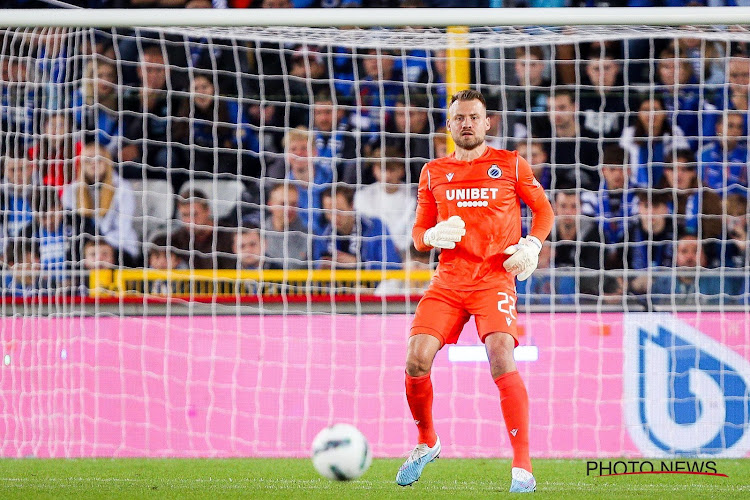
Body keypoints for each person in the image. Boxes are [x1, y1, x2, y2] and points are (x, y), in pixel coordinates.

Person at [397, 90, 554, 492]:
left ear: (488, 123)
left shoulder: (510, 164)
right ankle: (426, 441)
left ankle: (523, 466)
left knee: (501, 352)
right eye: (458, 118)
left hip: (494, 278)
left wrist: (533, 244)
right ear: (448, 126)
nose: (466, 124)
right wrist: (430, 234)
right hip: (448, 280)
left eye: (473, 117)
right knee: (416, 360)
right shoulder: (433, 171)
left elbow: (544, 211)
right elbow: (418, 235)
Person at [61, 143, 140, 260]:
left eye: (98, 160)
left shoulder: (123, 188)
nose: (93, 163)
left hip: (118, 246)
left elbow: (124, 228)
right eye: (88, 160)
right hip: (86, 248)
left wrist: (99, 245)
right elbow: (71, 226)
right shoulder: (71, 191)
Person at [313, 184, 402, 270]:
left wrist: (359, 264)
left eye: (340, 211)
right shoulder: (322, 235)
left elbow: (392, 266)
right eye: (329, 212)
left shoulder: (376, 227)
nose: (334, 217)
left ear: (351, 206)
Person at [169, 187, 235, 270]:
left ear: (207, 211)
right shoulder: (177, 240)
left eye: (194, 214)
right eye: (185, 215)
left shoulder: (230, 235)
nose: (190, 221)